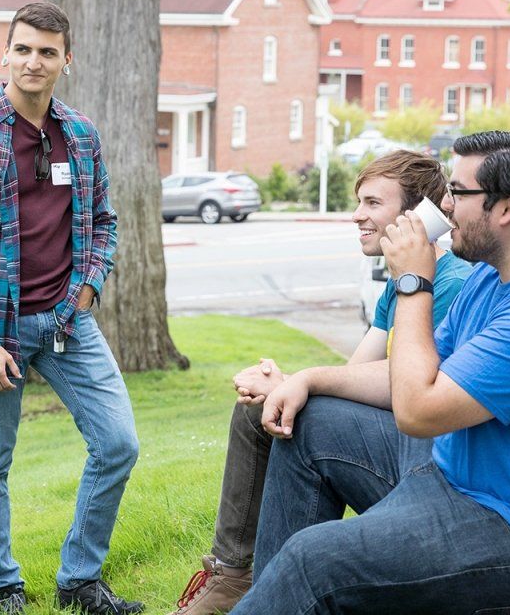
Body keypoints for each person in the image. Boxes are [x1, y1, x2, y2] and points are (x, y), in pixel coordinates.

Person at [231, 131, 510, 615]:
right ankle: (275, 599)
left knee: (314, 560)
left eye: (460, 193)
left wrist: (413, 282)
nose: (444, 203)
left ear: (508, 209)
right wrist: (307, 380)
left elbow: (417, 411)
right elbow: (413, 374)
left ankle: (288, 592)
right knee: (309, 422)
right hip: (465, 478)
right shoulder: (494, 275)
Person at [170, 151, 471, 615]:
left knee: (302, 418)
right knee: (260, 410)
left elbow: (416, 388)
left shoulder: (448, 282)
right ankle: (233, 576)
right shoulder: (399, 282)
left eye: (372, 203)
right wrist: (287, 383)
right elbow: (357, 372)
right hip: (392, 435)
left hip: (427, 466)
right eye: (359, 203)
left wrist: (305, 383)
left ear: (418, 217)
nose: (357, 215)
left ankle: (273, 595)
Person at [0, 2, 143, 614]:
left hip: (66, 320)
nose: (34, 61)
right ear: (5, 54)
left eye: (47, 52)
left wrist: (85, 290)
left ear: (66, 61)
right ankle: (3, 587)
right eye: (23, 49)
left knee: (118, 444)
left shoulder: (79, 135)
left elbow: (102, 220)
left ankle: (80, 579)